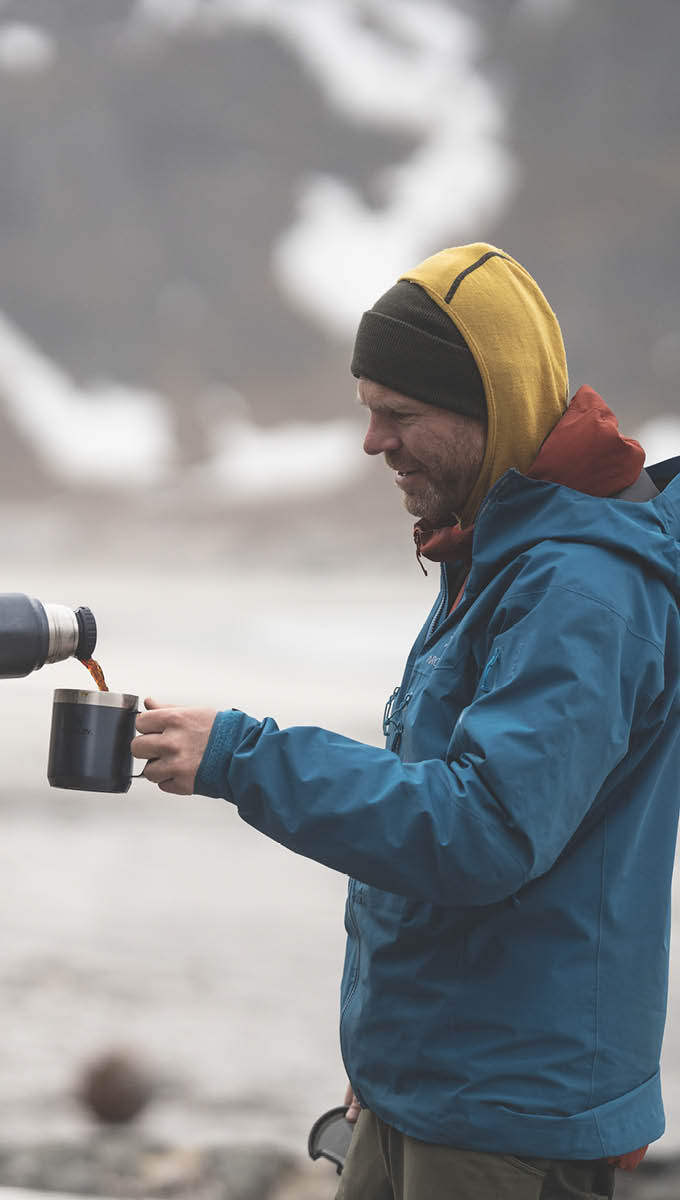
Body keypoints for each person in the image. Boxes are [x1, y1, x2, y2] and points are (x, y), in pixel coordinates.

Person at [131, 243, 680, 1198]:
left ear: (491, 407)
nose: (373, 442)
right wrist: (389, 1056)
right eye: (368, 411)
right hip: (430, 1088)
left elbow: (482, 829)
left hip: (507, 1117)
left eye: (401, 414)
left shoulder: (581, 587)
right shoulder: (499, 548)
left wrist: (240, 756)